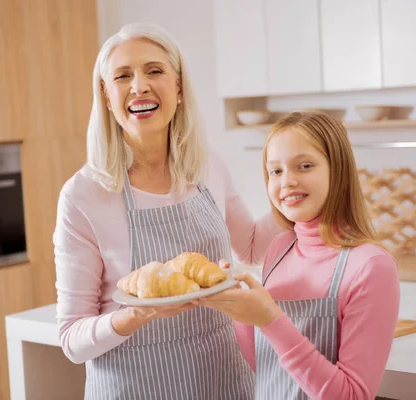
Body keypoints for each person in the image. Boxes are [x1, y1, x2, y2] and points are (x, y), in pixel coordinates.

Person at [53, 21, 285, 399]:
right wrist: (135, 316)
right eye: (122, 75)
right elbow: (72, 339)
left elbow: (253, 247)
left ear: (178, 87)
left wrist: (290, 202)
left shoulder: (206, 163)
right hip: (134, 388)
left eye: (154, 70)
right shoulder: (83, 195)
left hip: (221, 378)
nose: (139, 85)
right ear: (106, 96)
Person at [198, 112, 400, 400]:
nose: (287, 181)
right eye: (275, 171)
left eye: (304, 166)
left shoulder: (370, 266)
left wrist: (270, 320)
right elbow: (267, 367)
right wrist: (236, 306)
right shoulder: (280, 250)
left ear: (338, 170)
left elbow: (352, 395)